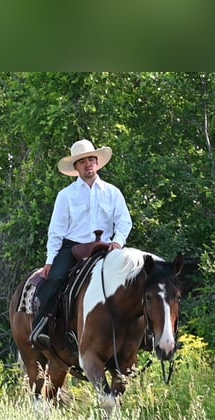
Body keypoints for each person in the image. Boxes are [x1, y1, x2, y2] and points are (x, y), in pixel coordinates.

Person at [30, 138, 133, 348]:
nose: (88, 164)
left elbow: (124, 221)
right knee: (57, 278)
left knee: (134, 276)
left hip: (106, 249)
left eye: (91, 159)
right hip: (73, 248)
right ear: (76, 167)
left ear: (97, 162)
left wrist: (118, 242)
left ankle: (142, 332)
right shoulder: (65, 196)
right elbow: (56, 231)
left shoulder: (112, 192)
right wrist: (50, 260)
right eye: (82, 161)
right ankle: (42, 327)